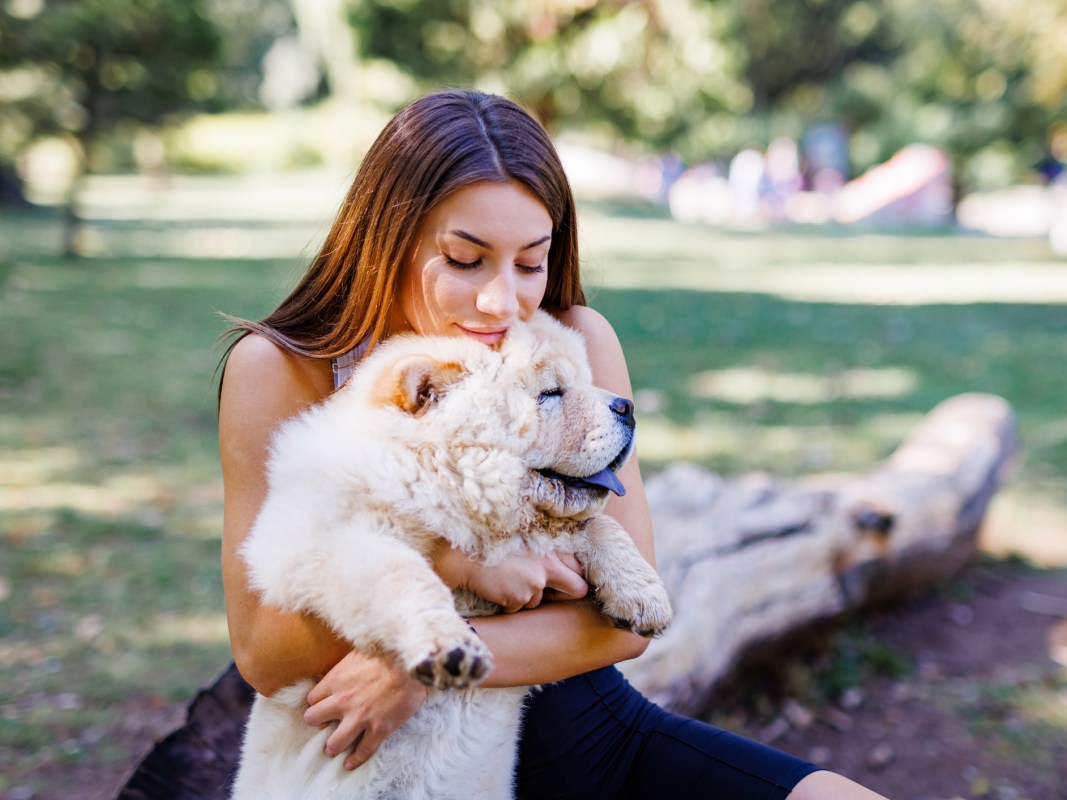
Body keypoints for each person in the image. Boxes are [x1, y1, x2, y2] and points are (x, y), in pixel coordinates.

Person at [219, 89, 889, 800]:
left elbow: (626, 625)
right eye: (465, 259)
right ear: (390, 238)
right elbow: (264, 651)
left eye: (530, 263)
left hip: (584, 735)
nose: (501, 304)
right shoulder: (286, 371)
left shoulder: (573, 345)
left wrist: (423, 666)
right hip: (387, 772)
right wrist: (448, 572)